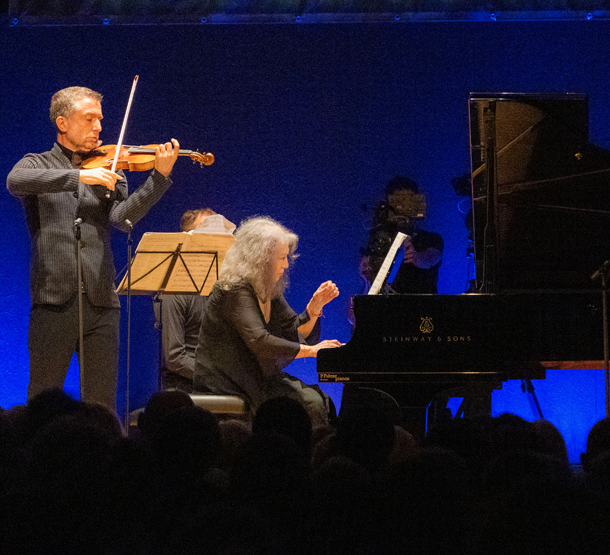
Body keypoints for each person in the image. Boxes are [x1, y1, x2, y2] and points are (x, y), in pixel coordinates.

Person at [6, 86, 179, 411]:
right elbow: (16, 181)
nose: (98, 127)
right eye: (89, 119)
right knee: (43, 400)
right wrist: (79, 177)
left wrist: (158, 179)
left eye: (100, 119)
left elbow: (121, 219)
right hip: (54, 301)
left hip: (101, 304)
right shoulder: (37, 162)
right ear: (62, 123)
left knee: (101, 404)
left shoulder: (111, 167)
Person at [194, 216, 341, 429]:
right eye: (281, 258)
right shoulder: (235, 290)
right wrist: (311, 351)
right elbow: (259, 341)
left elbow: (294, 331)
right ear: (261, 259)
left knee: (319, 400)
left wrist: (313, 310)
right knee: (309, 404)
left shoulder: (267, 287)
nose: (286, 264)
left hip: (256, 376)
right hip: (229, 379)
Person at [156, 208, 216, 392]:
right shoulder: (174, 289)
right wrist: (218, 377)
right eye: (205, 233)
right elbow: (175, 358)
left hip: (217, 378)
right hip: (187, 384)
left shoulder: (223, 287)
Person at [360, 176, 444, 296]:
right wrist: (367, 277)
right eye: (398, 203)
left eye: (409, 202)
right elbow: (368, 289)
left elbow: (432, 256)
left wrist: (419, 259)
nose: (403, 210)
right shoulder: (380, 241)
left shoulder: (429, 239)